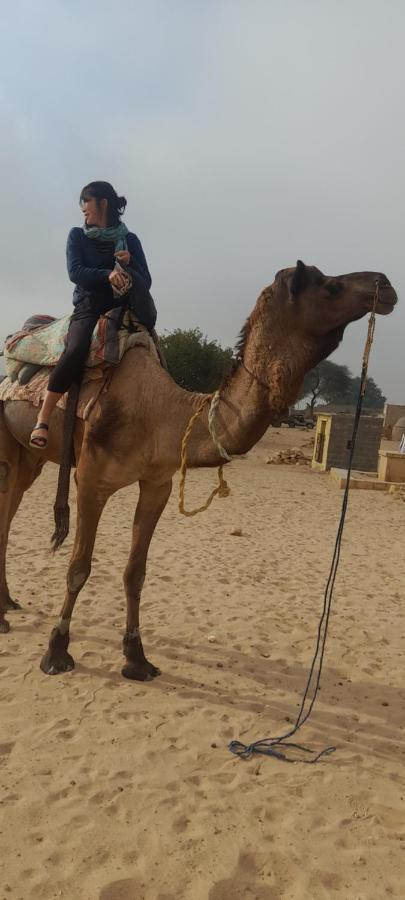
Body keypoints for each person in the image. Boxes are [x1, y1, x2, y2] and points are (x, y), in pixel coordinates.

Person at [29, 181, 156, 449]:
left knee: (152, 349)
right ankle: (43, 417)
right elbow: (75, 272)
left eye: (86, 202)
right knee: (76, 350)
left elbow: (147, 280)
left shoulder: (130, 240)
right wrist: (107, 274)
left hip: (124, 307)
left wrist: (130, 266)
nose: (83, 210)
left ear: (102, 203)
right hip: (89, 307)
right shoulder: (78, 236)